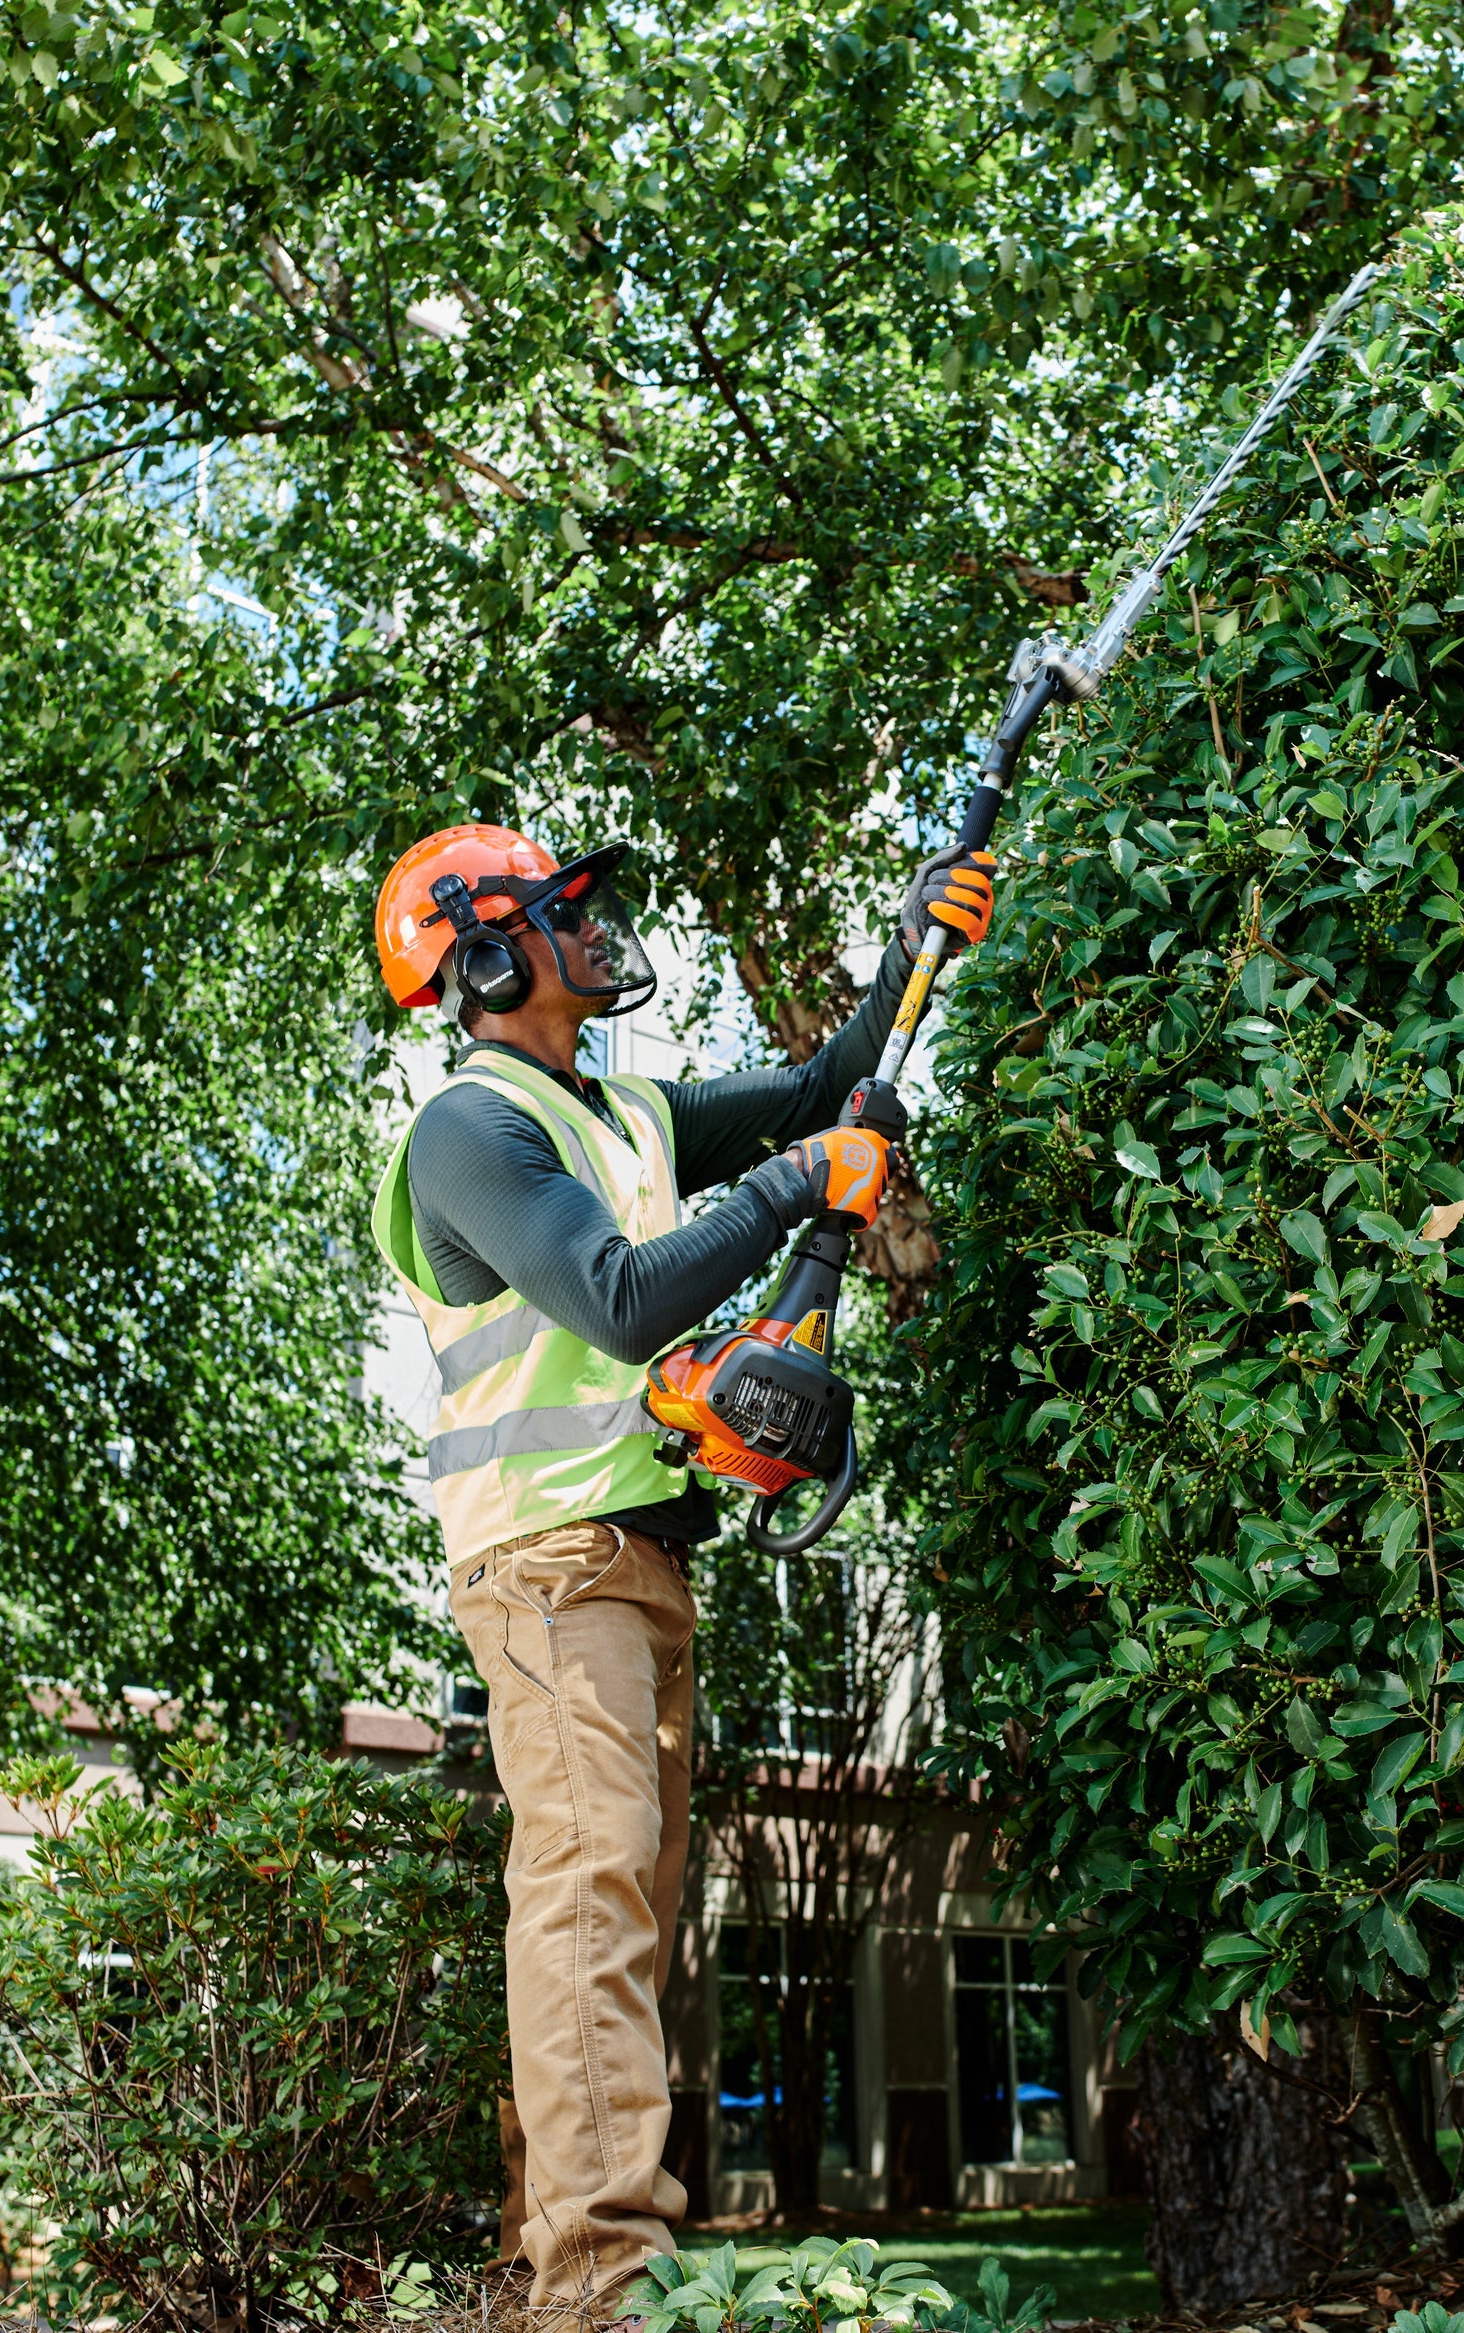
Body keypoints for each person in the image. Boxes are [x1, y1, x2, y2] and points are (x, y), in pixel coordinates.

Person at [365, 825, 996, 2301]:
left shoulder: (626, 1114)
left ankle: (552, 2270)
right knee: (589, 1901)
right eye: (567, 912)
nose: (600, 930)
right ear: (489, 957)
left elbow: (823, 1089)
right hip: (547, 1565)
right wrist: (792, 1188)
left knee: (619, 1926)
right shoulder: (470, 1127)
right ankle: (602, 2285)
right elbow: (621, 1297)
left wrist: (917, 941)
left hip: (643, 1563)